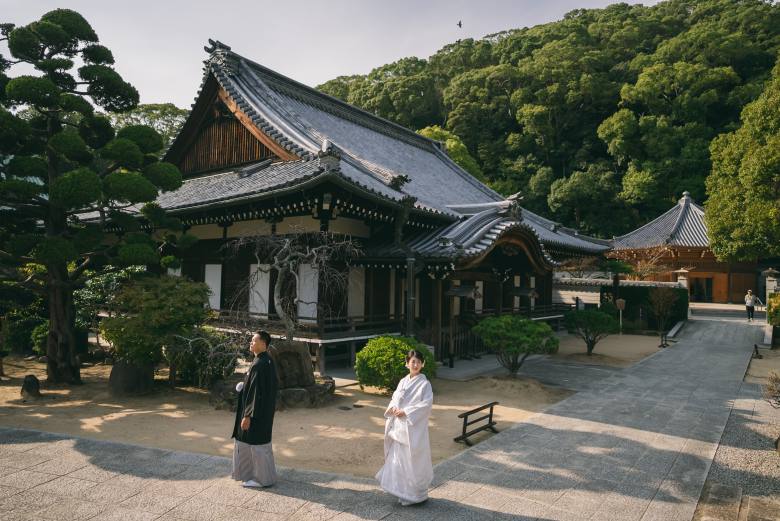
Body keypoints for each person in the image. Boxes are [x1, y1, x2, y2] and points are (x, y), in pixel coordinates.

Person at [375, 349, 434, 506]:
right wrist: (394, 408)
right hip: (399, 427)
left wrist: (406, 411)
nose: (415, 364)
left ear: (423, 364)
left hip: (412, 429)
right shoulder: (402, 381)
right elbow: (395, 397)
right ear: (407, 363)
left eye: (418, 362)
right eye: (412, 361)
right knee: (398, 461)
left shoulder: (425, 384)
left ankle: (415, 495)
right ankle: (402, 491)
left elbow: (426, 405)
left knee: (412, 461)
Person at [231, 330, 278, 488]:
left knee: (255, 444)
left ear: (263, 343)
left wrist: (247, 415)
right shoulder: (266, 361)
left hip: (256, 413)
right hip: (264, 411)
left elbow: (256, 393)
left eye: (254, 340)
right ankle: (264, 477)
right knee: (259, 444)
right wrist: (245, 386)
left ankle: (259, 479)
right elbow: (260, 388)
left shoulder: (260, 363)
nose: (251, 343)